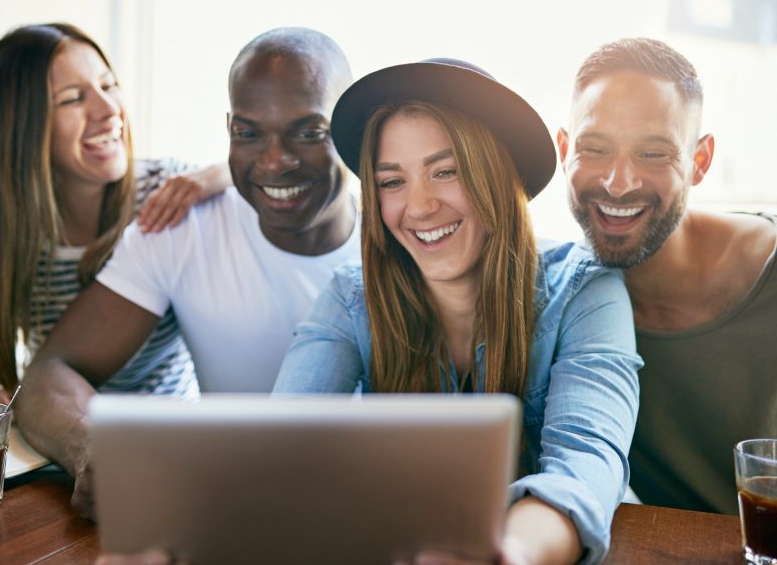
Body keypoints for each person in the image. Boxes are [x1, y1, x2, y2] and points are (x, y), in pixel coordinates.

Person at [274, 59, 642, 565]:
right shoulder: (350, 297)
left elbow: (585, 464)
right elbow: (281, 449)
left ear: (495, 175)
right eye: (391, 181)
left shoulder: (584, 291)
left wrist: (508, 553)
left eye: (445, 172)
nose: (420, 207)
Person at [14, 26, 361, 519]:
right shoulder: (179, 226)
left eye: (308, 132)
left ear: (350, 128)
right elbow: (51, 372)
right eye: (249, 133)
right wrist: (93, 448)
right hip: (215, 513)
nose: (275, 161)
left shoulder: (403, 238)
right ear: (229, 130)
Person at [557, 37, 777, 515]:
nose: (619, 182)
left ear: (699, 162)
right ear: (563, 150)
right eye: (595, 148)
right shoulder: (564, 305)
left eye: (653, 154)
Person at [0, 22, 232, 404]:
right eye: (73, 98)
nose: (109, 109)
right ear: (22, 126)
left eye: (109, 86)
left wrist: (221, 173)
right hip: (56, 444)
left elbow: (258, 175)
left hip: (173, 437)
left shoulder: (165, 191)